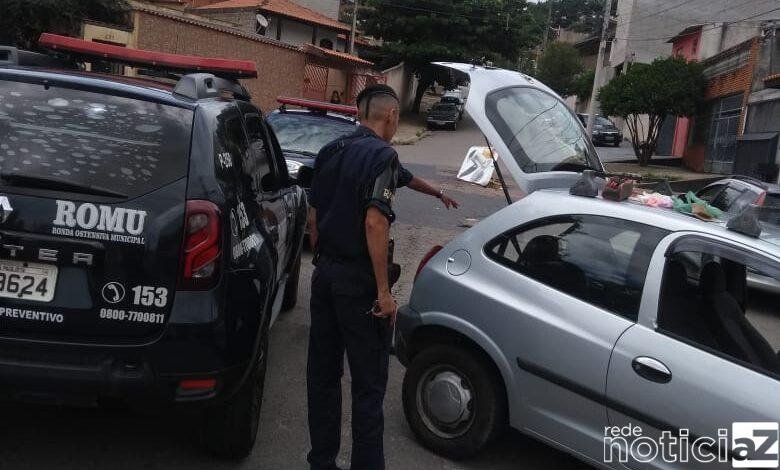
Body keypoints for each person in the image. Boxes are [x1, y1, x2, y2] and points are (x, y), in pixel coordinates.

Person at [306, 84, 457, 470]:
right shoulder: (381, 156)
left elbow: (313, 213)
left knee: (322, 377)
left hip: (325, 276)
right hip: (358, 286)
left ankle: (321, 462)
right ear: (391, 116)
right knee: (368, 387)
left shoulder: (332, 151)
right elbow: (375, 222)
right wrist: (384, 292)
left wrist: (436, 192)